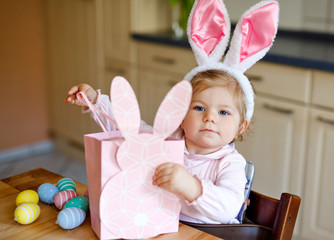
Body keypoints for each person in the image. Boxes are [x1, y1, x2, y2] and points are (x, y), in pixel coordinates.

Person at [65, 69, 249, 224]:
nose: (210, 117)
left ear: (241, 127)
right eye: (199, 108)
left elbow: (229, 208)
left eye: (223, 112)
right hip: (155, 225)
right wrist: (96, 102)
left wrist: (191, 187)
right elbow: (131, 129)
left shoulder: (230, 163)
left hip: (202, 234)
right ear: (181, 118)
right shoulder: (165, 141)